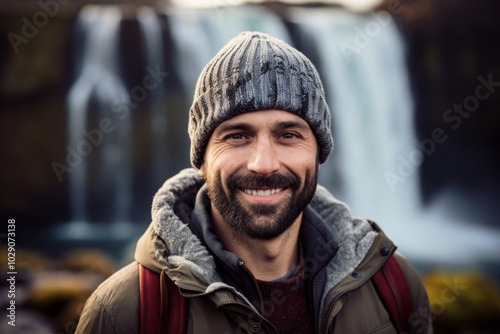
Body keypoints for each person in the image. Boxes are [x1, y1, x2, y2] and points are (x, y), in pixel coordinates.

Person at [76, 31, 432, 334]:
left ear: (319, 155)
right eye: (237, 136)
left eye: (289, 135)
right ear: (201, 160)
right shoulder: (124, 313)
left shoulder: (396, 288)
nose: (263, 164)